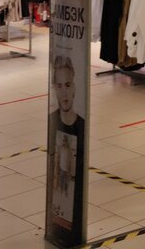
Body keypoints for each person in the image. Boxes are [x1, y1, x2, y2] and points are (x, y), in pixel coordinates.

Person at [48, 54, 85, 240]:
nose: (63, 93)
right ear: (54, 88)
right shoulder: (52, 122)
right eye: (59, 86)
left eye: (68, 85)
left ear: (74, 88)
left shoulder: (83, 127)